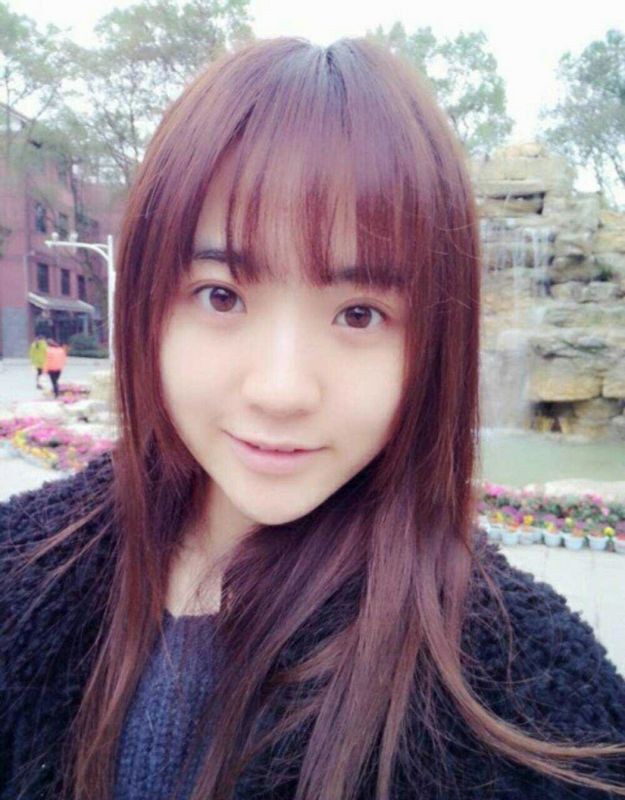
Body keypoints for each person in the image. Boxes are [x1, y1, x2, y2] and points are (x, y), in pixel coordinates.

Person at [1, 38, 624, 800]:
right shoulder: (23, 571)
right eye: (221, 296)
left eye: (359, 313)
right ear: (146, 305)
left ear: (436, 340)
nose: (280, 390)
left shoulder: (527, 696)